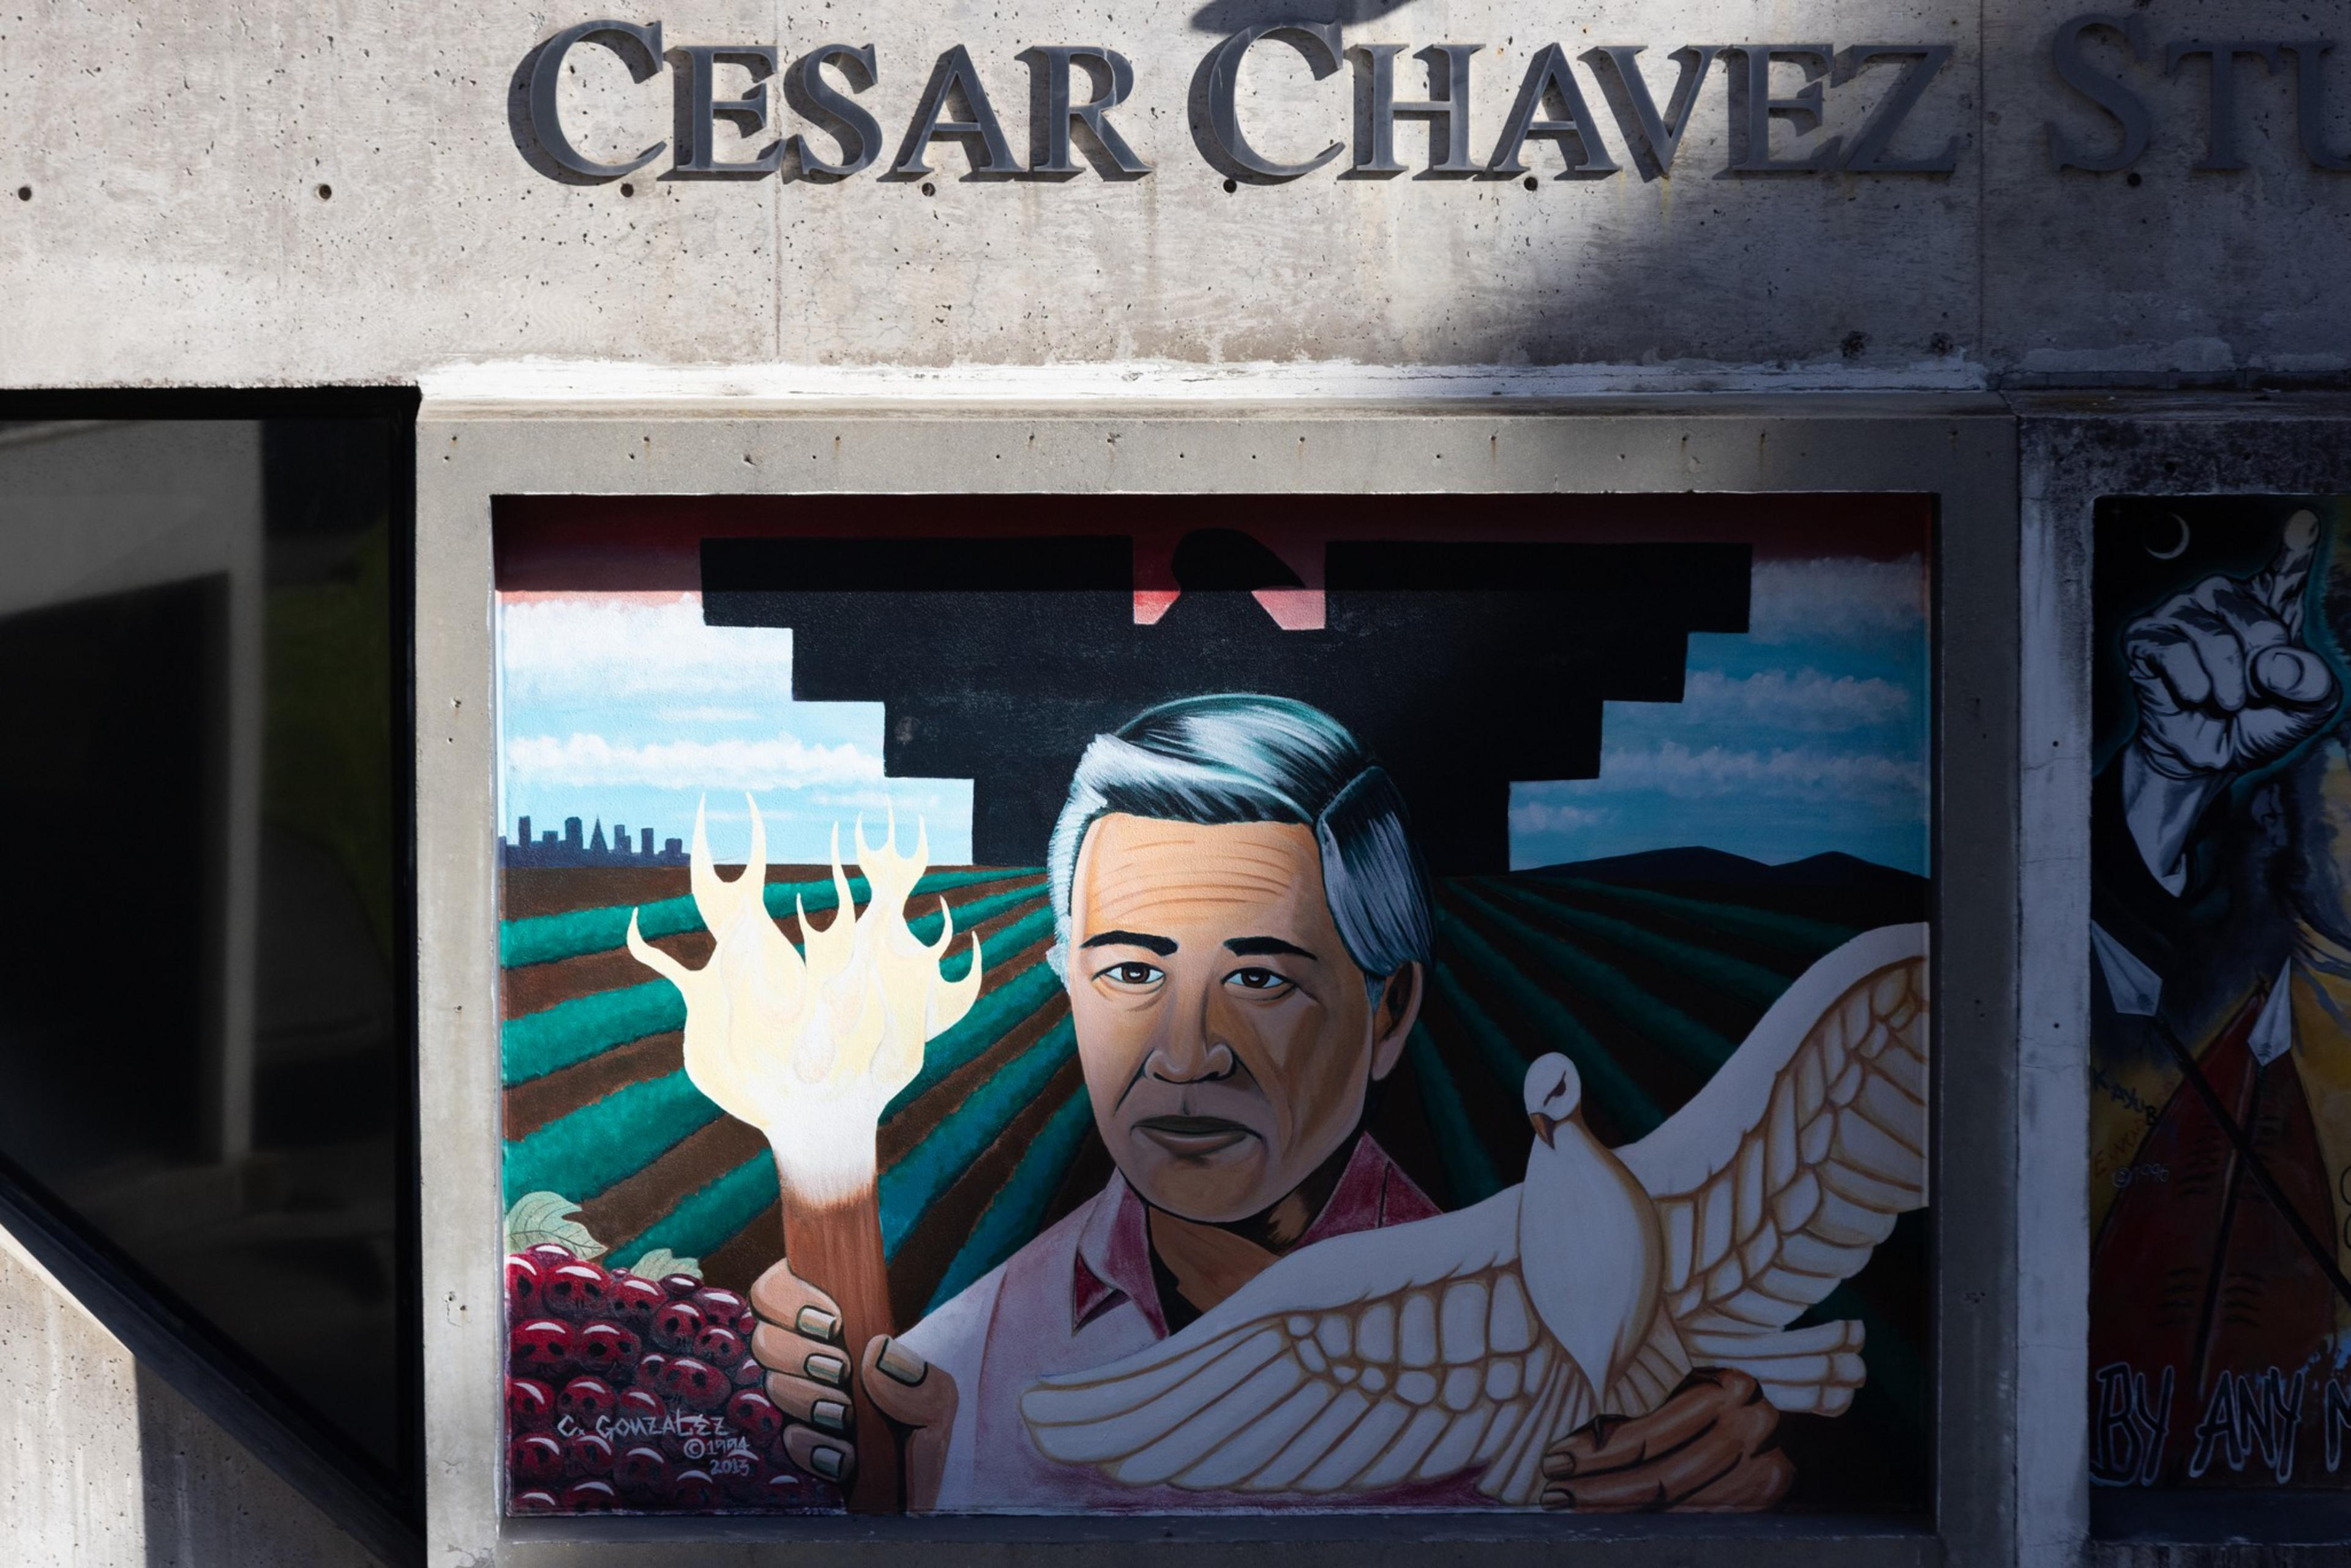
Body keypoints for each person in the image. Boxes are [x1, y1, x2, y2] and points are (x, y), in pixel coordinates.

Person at [749, 694, 1791, 1510]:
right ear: (1066, 984)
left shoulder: (1563, 1360)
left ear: (1389, 1013)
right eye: (1129, 973)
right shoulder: (953, 1381)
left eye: (1261, 979)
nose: (1189, 1054)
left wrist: (1705, 1491)